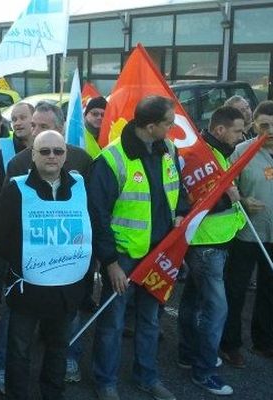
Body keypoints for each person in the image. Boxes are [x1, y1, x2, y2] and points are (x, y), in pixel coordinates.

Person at [89, 96, 188, 400]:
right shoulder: (111, 159)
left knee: (151, 320)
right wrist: (110, 263)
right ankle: (105, 382)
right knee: (113, 323)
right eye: (169, 123)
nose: (173, 128)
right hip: (124, 258)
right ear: (150, 126)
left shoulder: (168, 149)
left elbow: (179, 189)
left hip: (160, 253)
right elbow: (98, 215)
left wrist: (181, 211)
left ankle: (147, 376)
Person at [0, 130, 92, 400]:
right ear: (33, 155)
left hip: (66, 289)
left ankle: (52, 394)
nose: (51, 156)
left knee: (58, 348)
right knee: (19, 350)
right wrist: (22, 261)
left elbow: (93, 228)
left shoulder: (80, 186)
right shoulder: (17, 187)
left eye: (57, 151)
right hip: (28, 289)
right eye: (44, 151)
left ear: (65, 155)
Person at [177, 106, 246, 396]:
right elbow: (197, 201)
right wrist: (230, 201)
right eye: (238, 130)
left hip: (215, 241)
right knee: (215, 310)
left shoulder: (218, 151)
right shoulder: (199, 155)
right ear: (220, 130)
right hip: (206, 245)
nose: (243, 135)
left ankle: (187, 353)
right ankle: (204, 371)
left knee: (194, 302)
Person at [220, 100, 273, 365]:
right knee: (236, 289)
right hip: (247, 233)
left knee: (269, 288)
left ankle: (264, 341)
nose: (270, 131)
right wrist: (241, 199)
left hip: (272, 235)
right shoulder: (242, 152)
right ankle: (230, 344)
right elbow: (224, 186)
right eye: (264, 125)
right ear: (254, 125)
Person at [4, 101, 93, 182]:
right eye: (33, 126)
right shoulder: (18, 164)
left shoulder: (81, 159)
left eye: (43, 126)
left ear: (60, 129)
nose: (35, 132)